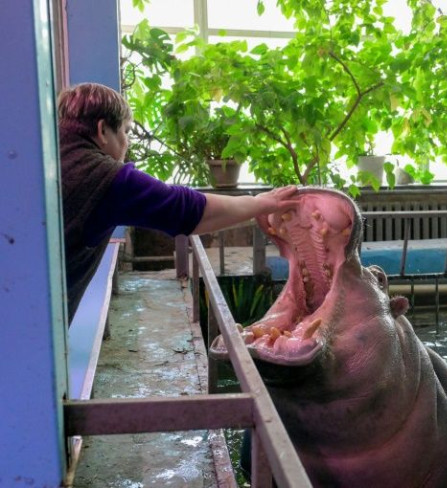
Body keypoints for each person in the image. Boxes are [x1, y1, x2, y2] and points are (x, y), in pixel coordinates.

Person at [58, 82, 297, 322]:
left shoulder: (49, 158)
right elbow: (189, 211)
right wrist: (261, 203)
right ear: (102, 131)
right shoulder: (102, 177)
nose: (127, 142)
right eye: (126, 131)